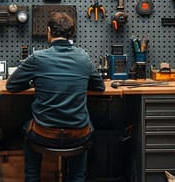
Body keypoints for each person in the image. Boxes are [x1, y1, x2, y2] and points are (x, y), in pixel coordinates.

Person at [6, 11, 105, 182]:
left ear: (49, 31)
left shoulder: (38, 58)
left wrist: (32, 82)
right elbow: (100, 86)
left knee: (27, 129)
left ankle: (32, 176)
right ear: (72, 34)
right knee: (78, 169)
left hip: (44, 134)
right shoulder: (83, 58)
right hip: (77, 135)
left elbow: (11, 85)